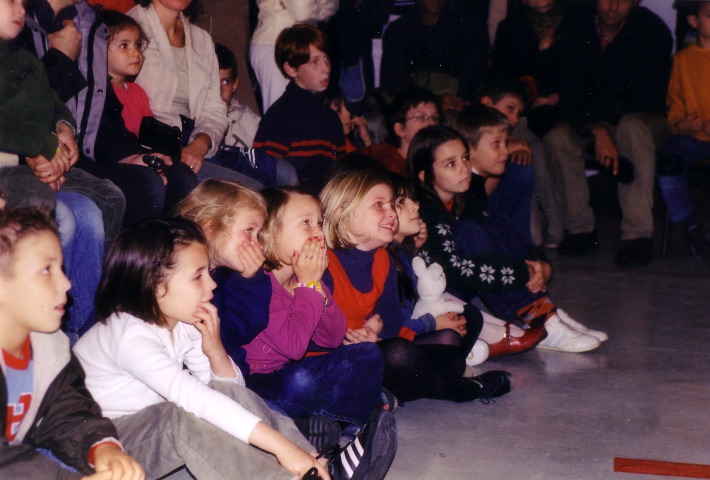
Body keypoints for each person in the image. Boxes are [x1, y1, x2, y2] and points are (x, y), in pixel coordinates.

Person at [74, 217, 396, 480]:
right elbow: (194, 399)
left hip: (147, 430)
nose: (212, 285)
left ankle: (319, 464)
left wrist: (214, 351)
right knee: (182, 419)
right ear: (155, 287)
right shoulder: (127, 334)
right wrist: (282, 449)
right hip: (101, 445)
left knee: (223, 401)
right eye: (198, 276)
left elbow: (232, 392)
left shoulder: (183, 323)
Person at [411, 121, 605, 354]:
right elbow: (454, 270)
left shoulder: (464, 196)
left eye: (464, 158)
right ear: (425, 175)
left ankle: (545, 313)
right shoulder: (427, 210)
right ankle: (538, 319)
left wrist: (539, 264)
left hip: (462, 282)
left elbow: (502, 238)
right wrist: (521, 271)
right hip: (436, 293)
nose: (464, 168)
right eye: (450, 164)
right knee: (470, 232)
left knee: (497, 224)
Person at [319, 170, 512, 403]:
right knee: (399, 353)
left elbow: (391, 325)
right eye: (379, 205)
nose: (391, 213)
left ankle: (408, 389)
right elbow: (317, 332)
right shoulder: (325, 263)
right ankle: (459, 388)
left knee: (450, 341)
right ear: (343, 215)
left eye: (391, 205)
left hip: (373, 347)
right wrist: (359, 341)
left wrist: (376, 336)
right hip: (337, 359)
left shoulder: (382, 259)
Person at [0, 208, 144, 480]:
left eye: (61, 268)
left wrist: (101, 448)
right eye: (46, 270)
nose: (66, 283)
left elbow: (68, 411)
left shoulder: (48, 345)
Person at [243, 186, 385, 437]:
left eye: (319, 223)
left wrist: (314, 287)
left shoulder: (306, 279)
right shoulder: (259, 283)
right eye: (306, 223)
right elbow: (294, 347)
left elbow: (331, 338)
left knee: (367, 352)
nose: (319, 232)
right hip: (254, 385)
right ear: (270, 233)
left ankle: (336, 422)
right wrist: (308, 286)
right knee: (301, 381)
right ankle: (318, 421)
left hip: (288, 376)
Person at [1, 2, 104, 341]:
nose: (21, 7)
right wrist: (42, 147)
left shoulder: (20, 56)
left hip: (25, 168)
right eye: (10, 1)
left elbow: (50, 101)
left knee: (90, 211)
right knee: (64, 218)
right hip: (15, 171)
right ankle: (38, 327)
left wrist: (63, 131)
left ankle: (82, 334)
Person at [543, 0, 673, 266]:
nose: (613, 6)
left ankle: (637, 237)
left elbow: (648, 97)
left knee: (631, 128)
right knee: (558, 138)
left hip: (645, 121)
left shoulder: (652, 30)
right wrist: (596, 131)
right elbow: (569, 90)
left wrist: (606, 135)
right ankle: (580, 230)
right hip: (594, 123)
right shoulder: (576, 27)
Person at [13, 0, 128, 244]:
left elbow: (98, 107)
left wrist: (64, 126)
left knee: (117, 194)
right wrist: (61, 58)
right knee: (83, 214)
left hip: (60, 152)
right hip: (20, 157)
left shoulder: (91, 23)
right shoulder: (16, 24)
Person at [127, 0, 262, 190]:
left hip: (194, 145)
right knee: (254, 192)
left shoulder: (201, 39)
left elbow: (214, 109)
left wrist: (201, 142)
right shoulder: (130, 30)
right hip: (150, 150)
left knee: (279, 175)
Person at [92, 9, 198, 223]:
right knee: (150, 182)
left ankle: (172, 238)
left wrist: (165, 152)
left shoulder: (137, 92)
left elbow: (148, 133)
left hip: (140, 154)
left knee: (183, 175)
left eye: (138, 45)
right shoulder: (98, 90)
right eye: (124, 45)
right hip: (111, 160)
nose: (135, 53)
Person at [174, 179, 271, 377]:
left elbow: (240, 333)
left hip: (225, 374)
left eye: (258, 234)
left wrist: (249, 282)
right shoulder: (175, 272)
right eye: (249, 231)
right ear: (209, 227)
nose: (257, 245)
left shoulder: (230, 278)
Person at [253, 24, 345, 193]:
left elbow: (339, 177)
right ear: (291, 69)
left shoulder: (331, 119)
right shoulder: (279, 116)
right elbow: (265, 178)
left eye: (326, 59)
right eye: (314, 62)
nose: (326, 69)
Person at [658, 0, 710, 257]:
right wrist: (681, 124)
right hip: (692, 137)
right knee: (668, 162)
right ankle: (691, 227)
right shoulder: (682, 60)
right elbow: (674, 104)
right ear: (694, 21)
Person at [212, 43, 298, 187]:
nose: (219, 89)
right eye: (213, 82)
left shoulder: (252, 123)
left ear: (235, 85)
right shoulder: (191, 117)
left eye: (225, 82)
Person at [380, 0, 488, 104]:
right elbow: (396, 81)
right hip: (412, 103)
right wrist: (435, 101)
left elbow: (472, 79)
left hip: (456, 105)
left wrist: (456, 101)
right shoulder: (399, 29)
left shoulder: (470, 28)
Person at [249, 0, 338, 112]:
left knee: (307, 111)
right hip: (276, 44)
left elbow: (334, 4)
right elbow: (302, 11)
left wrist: (315, 8)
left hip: (303, 43)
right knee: (281, 115)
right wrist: (322, 9)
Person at [361, 88, 441, 176]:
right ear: (400, 129)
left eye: (434, 118)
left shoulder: (433, 158)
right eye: (421, 117)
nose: (431, 123)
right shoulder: (389, 164)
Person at [323, 86, 373, 152]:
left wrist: (366, 140)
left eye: (346, 106)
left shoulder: (345, 143)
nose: (348, 113)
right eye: (339, 110)